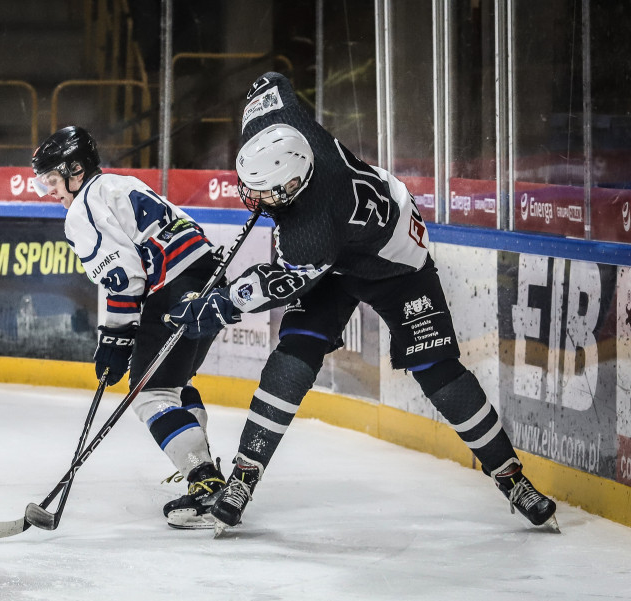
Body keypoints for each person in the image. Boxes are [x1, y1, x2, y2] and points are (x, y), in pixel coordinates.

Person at [166, 72, 558, 535]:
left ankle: (511, 477)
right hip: (345, 243)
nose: (254, 198)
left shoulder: (309, 229)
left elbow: (276, 282)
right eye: (249, 185)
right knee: (294, 352)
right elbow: (269, 82)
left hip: (393, 262)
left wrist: (218, 306)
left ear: (294, 186)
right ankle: (245, 475)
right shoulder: (279, 122)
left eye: (267, 194)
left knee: (438, 370)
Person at [32, 125, 227, 529]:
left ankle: (205, 483)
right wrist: (117, 334)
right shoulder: (121, 185)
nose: (49, 190)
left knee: (151, 392)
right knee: (174, 382)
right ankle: (198, 460)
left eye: (52, 179)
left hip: (175, 289)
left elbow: (124, 278)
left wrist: (114, 341)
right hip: (210, 281)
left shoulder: (83, 209)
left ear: (75, 170)